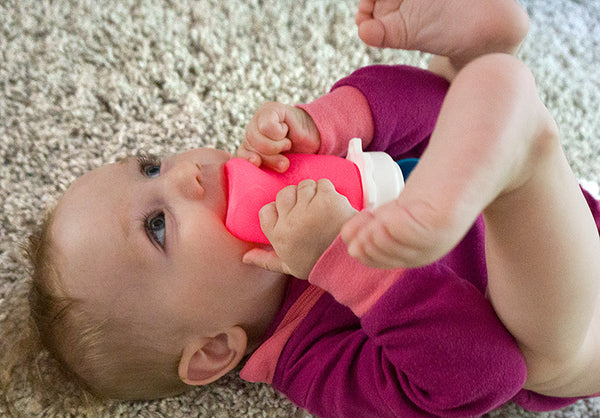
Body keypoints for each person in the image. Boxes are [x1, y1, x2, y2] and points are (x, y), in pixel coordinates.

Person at [24, 1, 600, 417]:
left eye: (151, 166)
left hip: (576, 219)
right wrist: (346, 262)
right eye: (157, 225)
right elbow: (491, 373)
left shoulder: (290, 176)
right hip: (572, 332)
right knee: (537, 338)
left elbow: (434, 114)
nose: (184, 174)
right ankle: (518, 136)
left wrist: (329, 123)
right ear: (215, 349)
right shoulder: (313, 365)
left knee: (460, 103)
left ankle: (479, 52)